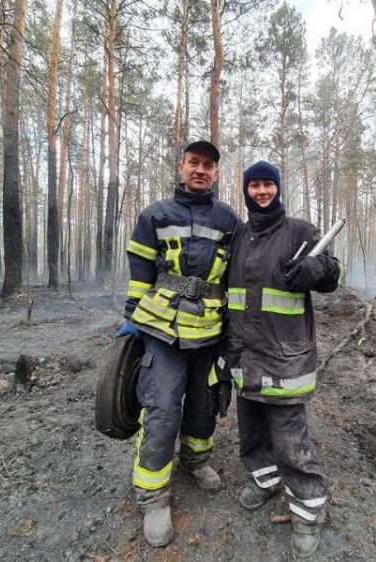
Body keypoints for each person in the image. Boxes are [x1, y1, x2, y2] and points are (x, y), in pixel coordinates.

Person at [115, 140, 240, 548]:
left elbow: (237, 276)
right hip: (162, 328)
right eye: (194, 163)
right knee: (163, 408)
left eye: (208, 165)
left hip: (209, 330)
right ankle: (154, 496)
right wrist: (132, 318)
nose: (200, 169)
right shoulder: (155, 214)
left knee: (205, 403)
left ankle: (196, 460)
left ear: (216, 173)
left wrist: (235, 330)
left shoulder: (228, 219)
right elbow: (139, 269)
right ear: (181, 167)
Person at [225, 161, 340, 559]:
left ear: (277, 188)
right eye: (254, 185)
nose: (261, 192)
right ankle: (265, 479)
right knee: (251, 431)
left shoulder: (299, 231)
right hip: (245, 354)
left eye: (267, 185)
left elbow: (333, 275)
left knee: (291, 439)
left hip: (285, 357)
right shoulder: (239, 236)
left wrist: (317, 268)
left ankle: (308, 511)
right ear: (246, 190)